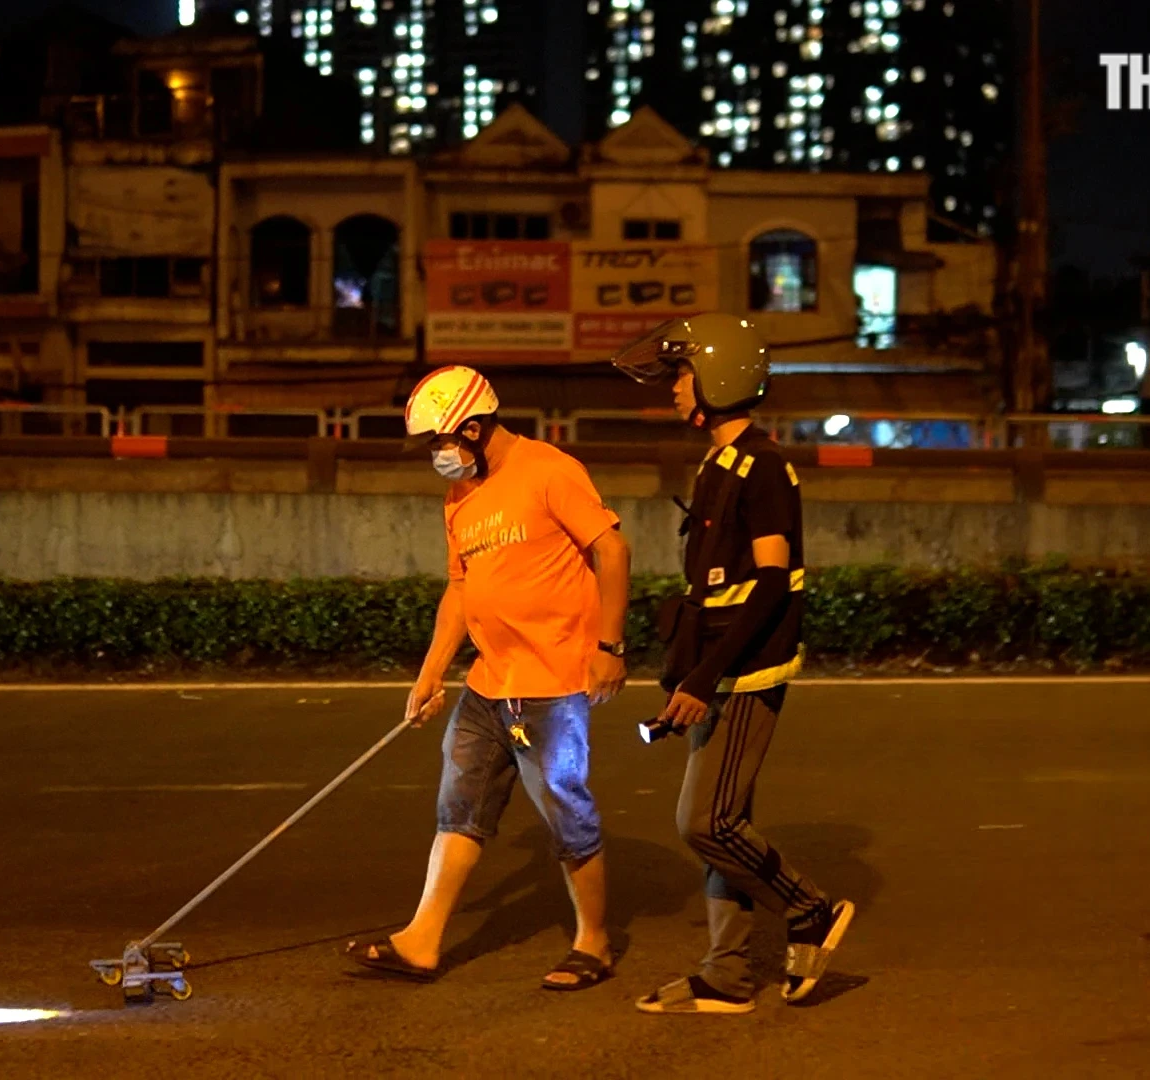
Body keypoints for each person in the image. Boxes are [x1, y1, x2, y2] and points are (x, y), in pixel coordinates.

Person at [345, 364, 631, 991]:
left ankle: (594, 941)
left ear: (472, 429)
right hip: (486, 684)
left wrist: (610, 646)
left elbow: (612, 549)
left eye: (438, 443)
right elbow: (460, 586)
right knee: (460, 805)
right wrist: (429, 674)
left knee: (563, 807)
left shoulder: (550, 470)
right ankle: (421, 940)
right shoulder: (462, 496)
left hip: (551, 683)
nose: (436, 457)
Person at [610, 314, 852, 1014]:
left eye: (681, 375)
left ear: (719, 377)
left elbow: (772, 580)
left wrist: (705, 676)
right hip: (718, 668)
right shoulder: (720, 463)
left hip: (749, 673)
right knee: (724, 821)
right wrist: (687, 671)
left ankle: (810, 910)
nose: (673, 390)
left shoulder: (764, 464)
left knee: (704, 823)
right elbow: (715, 588)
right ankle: (726, 974)